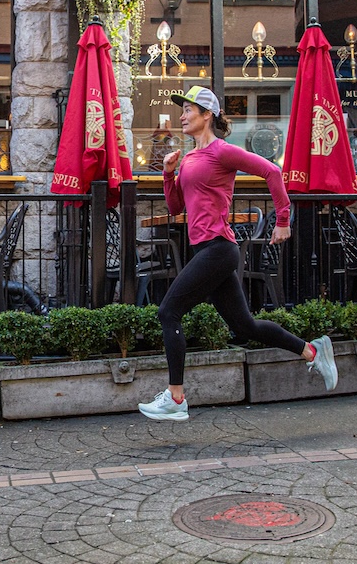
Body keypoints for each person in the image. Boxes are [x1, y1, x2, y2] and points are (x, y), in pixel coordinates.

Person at [138, 85, 338, 422]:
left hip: (219, 249)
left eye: (188, 110)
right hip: (207, 249)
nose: (182, 116)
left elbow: (272, 172)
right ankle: (312, 350)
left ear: (208, 115)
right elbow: (175, 208)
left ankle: (175, 397)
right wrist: (168, 173)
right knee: (244, 325)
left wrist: (283, 219)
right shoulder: (189, 158)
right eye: (182, 110)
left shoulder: (222, 152)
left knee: (168, 312)